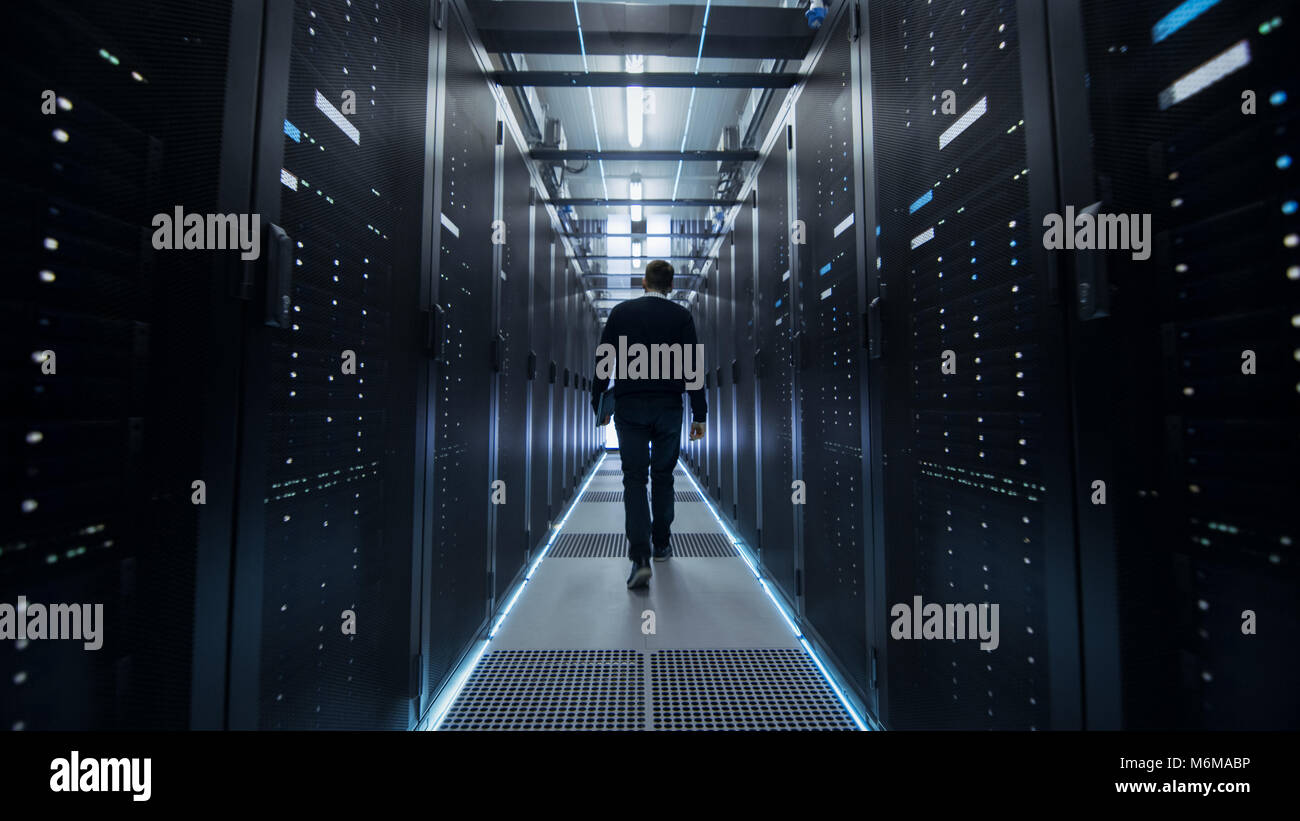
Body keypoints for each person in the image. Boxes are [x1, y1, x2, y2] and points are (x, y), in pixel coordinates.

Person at [591, 259, 706, 589]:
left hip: (630, 406)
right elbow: (692, 368)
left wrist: (598, 402)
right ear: (671, 286)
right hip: (669, 406)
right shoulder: (681, 317)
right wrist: (700, 414)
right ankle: (660, 544)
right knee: (663, 476)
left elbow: (603, 361)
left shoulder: (621, 313)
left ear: (644, 283)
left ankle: (639, 557)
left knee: (634, 479)